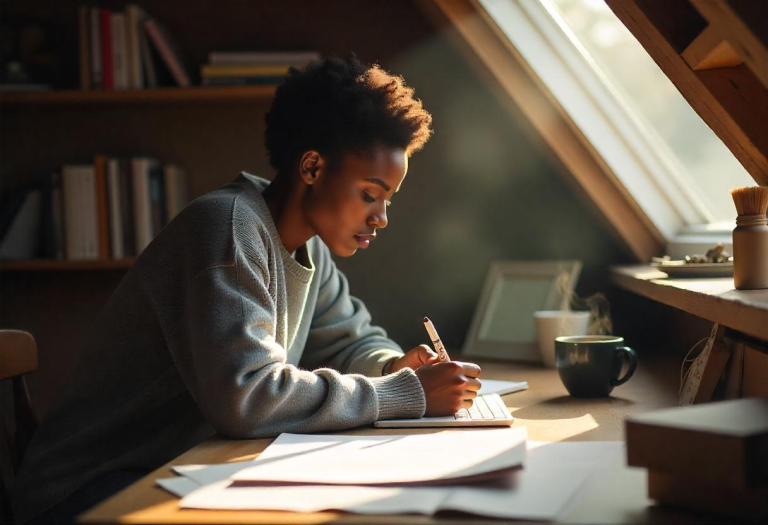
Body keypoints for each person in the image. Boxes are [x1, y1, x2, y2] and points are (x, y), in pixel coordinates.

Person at [11, 56, 482, 525]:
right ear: (313, 167)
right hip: (89, 489)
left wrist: (392, 366)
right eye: (369, 194)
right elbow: (248, 396)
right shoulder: (228, 227)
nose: (381, 217)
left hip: (181, 470)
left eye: (387, 199)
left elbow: (351, 340)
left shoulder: (308, 249)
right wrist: (404, 395)